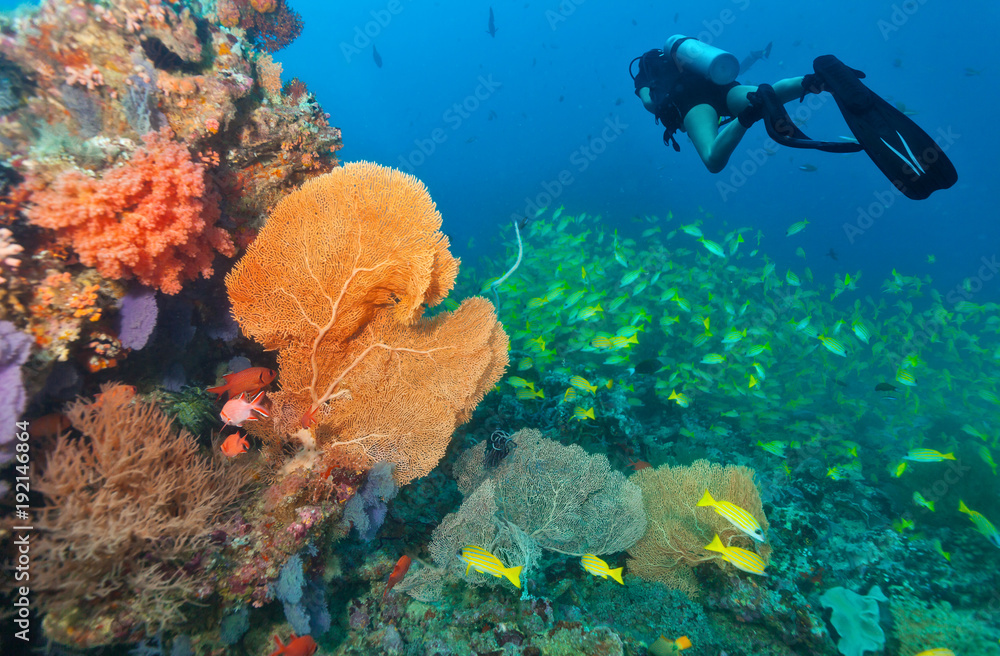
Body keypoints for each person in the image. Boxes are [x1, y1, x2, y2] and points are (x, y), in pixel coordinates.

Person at [631, 36, 957, 200]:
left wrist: (653, 98)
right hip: (720, 85)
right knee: (764, 91)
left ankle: (748, 117)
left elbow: (648, 104)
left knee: (713, 159)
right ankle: (813, 81)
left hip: (691, 103)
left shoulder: (646, 73)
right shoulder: (691, 58)